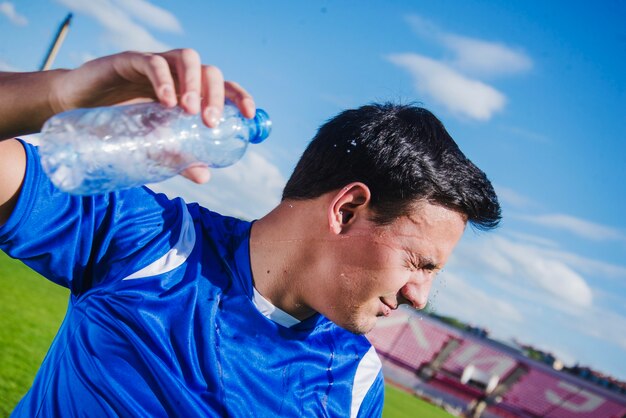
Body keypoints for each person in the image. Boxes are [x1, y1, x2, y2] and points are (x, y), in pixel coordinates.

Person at [0, 49, 501, 417]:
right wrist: (56, 94)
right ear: (347, 210)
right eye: (421, 263)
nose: (421, 295)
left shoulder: (355, 385)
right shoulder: (148, 241)